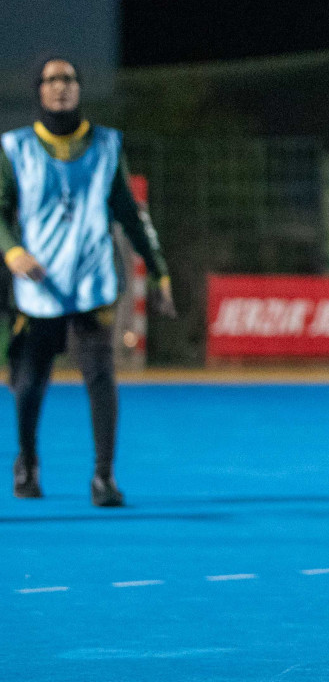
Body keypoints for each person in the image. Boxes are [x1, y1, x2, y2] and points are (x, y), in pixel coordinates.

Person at [2, 56, 174, 506]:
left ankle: (103, 476)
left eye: (69, 79)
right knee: (29, 380)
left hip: (91, 284)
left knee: (100, 377)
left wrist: (158, 270)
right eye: (52, 79)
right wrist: (12, 250)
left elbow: (131, 216)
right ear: (39, 89)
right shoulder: (14, 148)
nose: (61, 86)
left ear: (79, 88)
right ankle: (28, 462)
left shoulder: (106, 146)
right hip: (38, 288)